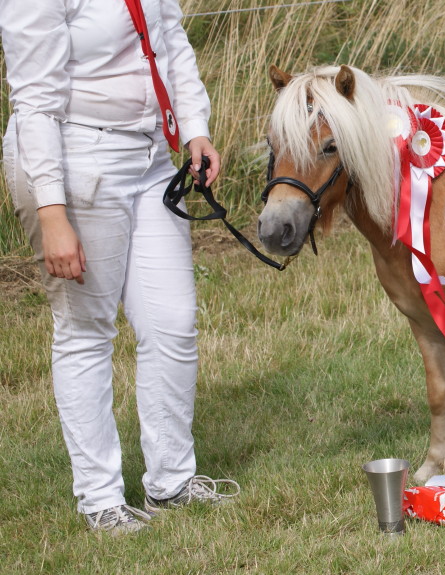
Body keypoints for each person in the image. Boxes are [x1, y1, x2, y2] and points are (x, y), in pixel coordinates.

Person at [1, 0, 239, 535]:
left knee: (173, 322)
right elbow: (34, 101)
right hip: (75, 156)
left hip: (152, 156)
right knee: (87, 329)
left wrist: (195, 127)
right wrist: (52, 210)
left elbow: (171, 42)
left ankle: (172, 481)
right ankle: (101, 499)